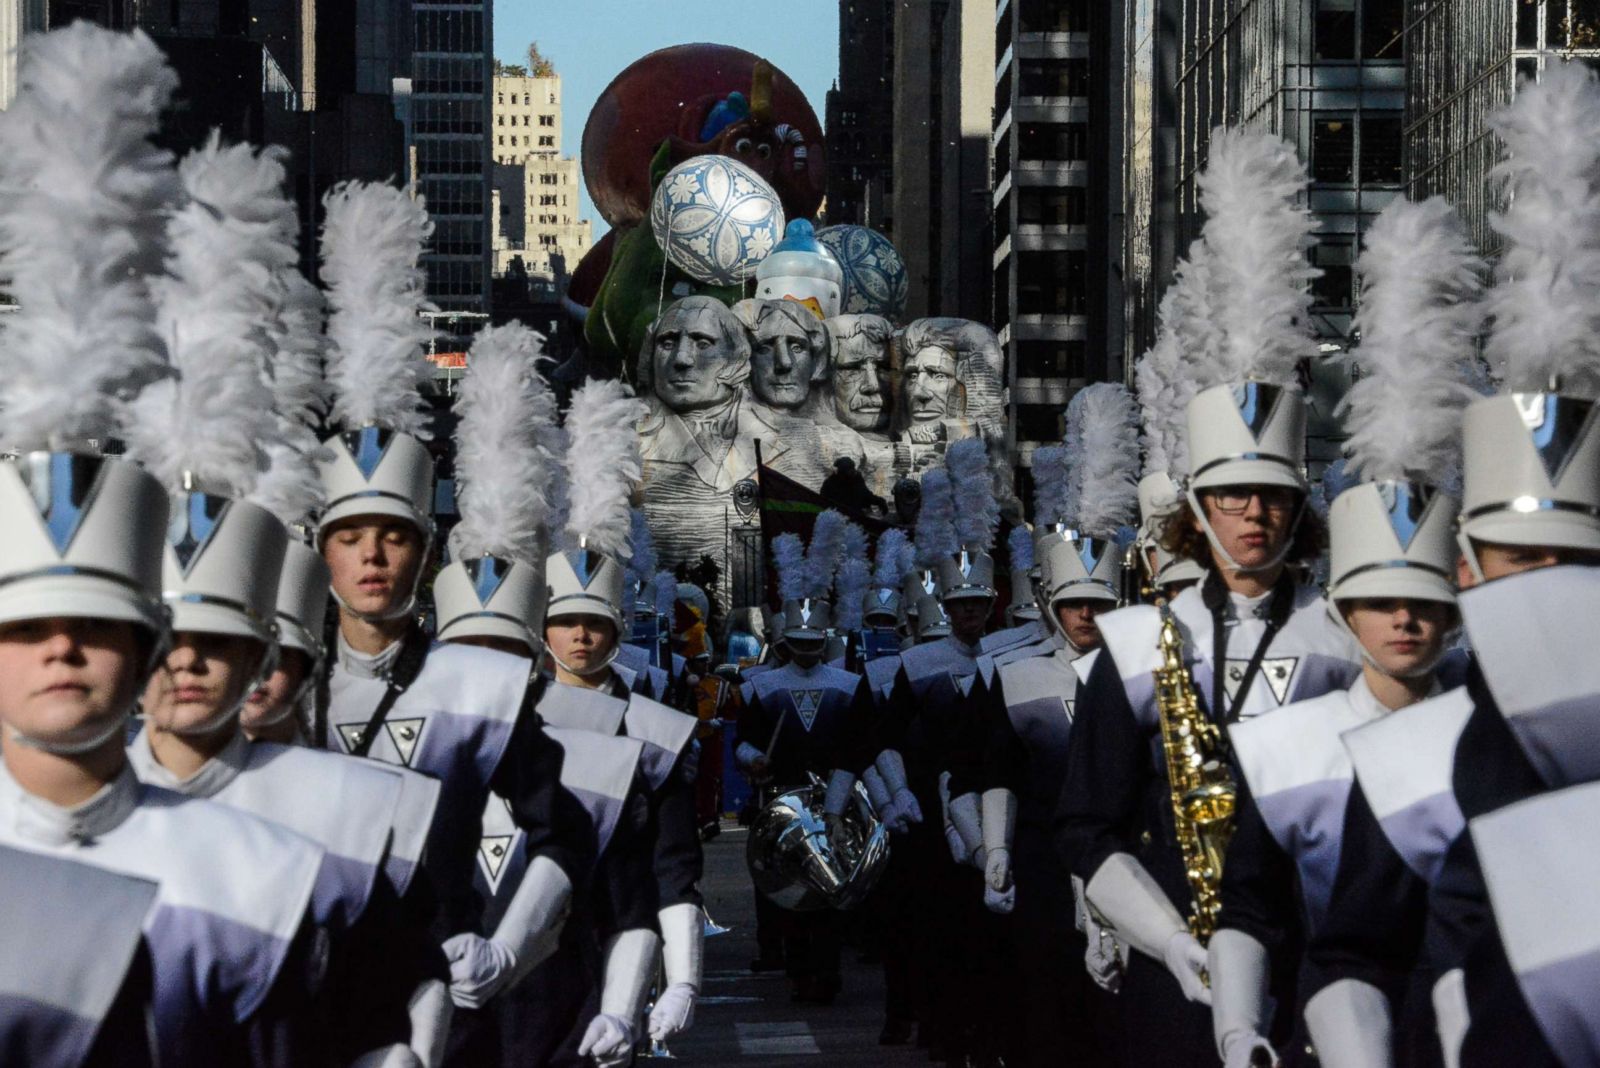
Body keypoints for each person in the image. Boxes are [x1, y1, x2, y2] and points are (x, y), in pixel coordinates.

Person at [1308, 71, 1600, 1065]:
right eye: (1524, 563)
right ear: (1468, 571)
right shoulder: (1414, 763)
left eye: (1573, 563)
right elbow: (1351, 952)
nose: (1550, 590)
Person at [1056, 127, 1361, 1066]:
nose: (1254, 515)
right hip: (1172, 961)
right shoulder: (1140, 639)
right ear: (1199, 507)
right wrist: (1166, 941)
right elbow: (1087, 824)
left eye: (1273, 496)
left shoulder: (1346, 637)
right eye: (1233, 496)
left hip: (1322, 964)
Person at [311, 183, 583, 1054]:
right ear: (323, 554)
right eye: (350, 537)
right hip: (305, 995)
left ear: (426, 554)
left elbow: (562, 830)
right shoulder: (281, 679)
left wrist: (507, 947)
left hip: (446, 1004)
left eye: (393, 537)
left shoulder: (484, 684)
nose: (373, 558)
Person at [979, 382, 1142, 1068]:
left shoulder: (1143, 673)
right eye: (1074, 604)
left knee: (1120, 1009)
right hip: (1045, 862)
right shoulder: (1014, 676)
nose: (1086, 617)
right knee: (1046, 996)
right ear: (1051, 606)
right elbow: (995, 769)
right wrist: (995, 849)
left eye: (1098, 603)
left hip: (1124, 857)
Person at [735, 534, 874, 1004]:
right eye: (799, 642)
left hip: (835, 798)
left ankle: (827, 969)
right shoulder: (761, 686)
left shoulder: (851, 686)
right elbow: (744, 739)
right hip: (780, 796)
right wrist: (754, 758)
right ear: (786, 641)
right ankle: (792, 962)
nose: (807, 650)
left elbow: (859, 744)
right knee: (782, 885)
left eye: (814, 643)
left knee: (832, 886)